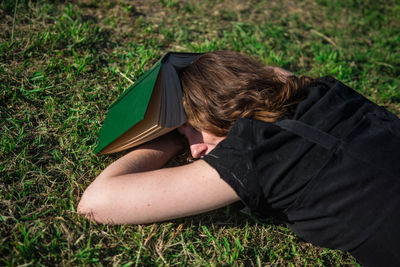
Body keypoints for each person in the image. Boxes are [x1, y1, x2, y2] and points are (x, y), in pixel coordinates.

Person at [78, 51, 400, 267]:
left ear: (218, 107)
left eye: (191, 131)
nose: (194, 150)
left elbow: (95, 205)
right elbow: (275, 74)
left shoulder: (255, 152)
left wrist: (167, 137)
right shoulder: (328, 92)